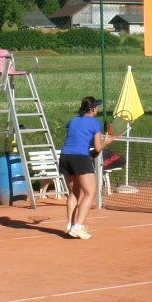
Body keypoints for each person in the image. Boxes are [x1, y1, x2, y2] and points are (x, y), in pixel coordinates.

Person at [59, 95, 112, 238]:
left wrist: (92, 151)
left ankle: (70, 226)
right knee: (90, 192)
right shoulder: (95, 123)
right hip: (79, 158)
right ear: (92, 109)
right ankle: (78, 226)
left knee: (74, 192)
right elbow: (98, 147)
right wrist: (106, 142)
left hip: (65, 157)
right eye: (97, 107)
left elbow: (77, 142)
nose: (98, 109)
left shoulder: (73, 121)